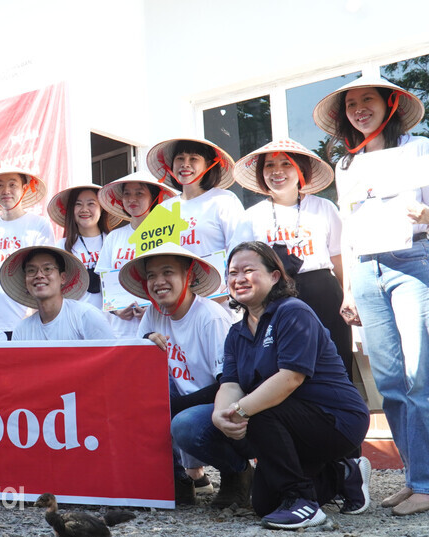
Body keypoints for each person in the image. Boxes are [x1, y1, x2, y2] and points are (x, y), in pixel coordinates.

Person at [171, 242, 370, 529]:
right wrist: (220, 416)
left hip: (336, 419)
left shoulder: (293, 312)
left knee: (259, 410)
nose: (239, 278)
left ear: (274, 276)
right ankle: (344, 475)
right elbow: (229, 384)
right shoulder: (237, 332)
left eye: (249, 270)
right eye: (232, 273)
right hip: (288, 423)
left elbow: (290, 378)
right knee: (265, 504)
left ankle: (303, 501)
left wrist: (240, 411)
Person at [313, 75, 429, 516]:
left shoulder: (419, 148)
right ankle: (415, 476)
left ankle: (425, 482)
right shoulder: (347, 165)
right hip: (365, 271)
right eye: (352, 104)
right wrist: (348, 291)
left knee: (420, 378)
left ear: (390, 105)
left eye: (368, 100)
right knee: (391, 384)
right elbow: (349, 228)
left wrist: (426, 213)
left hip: (412, 261)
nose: (359, 109)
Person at [118, 243, 233, 506]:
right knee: (131, 396)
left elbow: (229, 384)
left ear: (188, 276)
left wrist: (172, 406)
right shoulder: (152, 314)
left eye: (167, 272)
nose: (158, 282)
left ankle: (237, 472)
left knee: (183, 422)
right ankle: (176, 479)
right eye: (151, 276)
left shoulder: (210, 317)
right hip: (179, 402)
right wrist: (145, 342)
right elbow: (136, 375)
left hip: (217, 404)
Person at [231, 139, 352, 380]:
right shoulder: (251, 217)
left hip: (324, 294)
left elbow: (339, 257)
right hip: (274, 298)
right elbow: (241, 268)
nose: (277, 171)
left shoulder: (323, 207)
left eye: (286, 164)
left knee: (334, 362)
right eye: (269, 165)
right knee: (283, 367)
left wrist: (348, 295)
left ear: (301, 170)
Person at [147, 138, 245, 288]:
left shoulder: (224, 200)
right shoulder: (164, 209)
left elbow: (239, 249)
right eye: (180, 158)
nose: (185, 164)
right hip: (176, 300)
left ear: (209, 164)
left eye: (194, 158)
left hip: (220, 298)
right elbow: (156, 257)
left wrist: (227, 291)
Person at [0, 169, 55, 337]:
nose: (6, 190)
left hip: (27, 322)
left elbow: (45, 273)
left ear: (24, 188)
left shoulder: (39, 225)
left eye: (12, 185)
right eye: (0, 185)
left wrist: (34, 312)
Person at [96, 171, 180, 337]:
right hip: (121, 331)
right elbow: (104, 281)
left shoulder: (167, 233)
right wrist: (115, 310)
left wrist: (155, 307)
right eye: (127, 194)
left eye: (139, 193)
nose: (132, 199)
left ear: (154, 197)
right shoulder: (114, 237)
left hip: (159, 325)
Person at [0, 246, 115, 341]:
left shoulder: (85, 316)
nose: (39, 275)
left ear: (62, 278)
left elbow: (110, 359)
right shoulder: (22, 331)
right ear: (26, 281)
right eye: (31, 270)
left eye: (47, 269)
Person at [47, 185, 121, 316]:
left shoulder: (115, 242)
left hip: (113, 325)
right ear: (71, 210)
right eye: (78, 204)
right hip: (74, 322)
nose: (84, 209)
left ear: (102, 208)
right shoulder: (62, 247)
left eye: (91, 204)